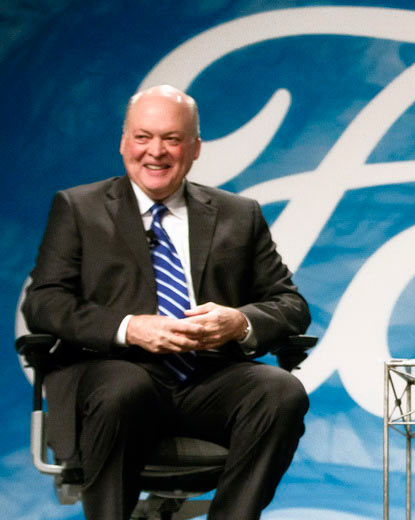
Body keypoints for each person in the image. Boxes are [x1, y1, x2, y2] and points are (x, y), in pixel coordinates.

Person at [23, 85, 311, 520]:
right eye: (143, 137)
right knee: (125, 387)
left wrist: (239, 322)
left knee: (280, 391)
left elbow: (289, 304)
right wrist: (128, 328)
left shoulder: (239, 214)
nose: (155, 151)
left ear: (195, 148)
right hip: (113, 375)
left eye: (172, 139)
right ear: (124, 143)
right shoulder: (79, 208)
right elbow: (44, 303)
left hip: (207, 381)